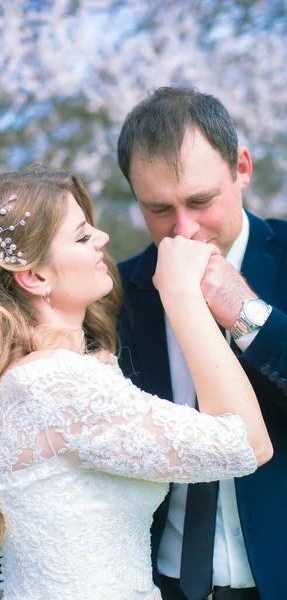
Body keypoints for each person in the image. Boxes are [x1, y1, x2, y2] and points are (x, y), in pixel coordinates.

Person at [0, 166, 271, 600]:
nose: (102, 238)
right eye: (83, 236)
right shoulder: (57, 385)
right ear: (36, 276)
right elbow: (247, 445)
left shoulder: (36, 375)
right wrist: (181, 293)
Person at [116, 87, 287, 600]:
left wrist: (248, 314)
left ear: (242, 167)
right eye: (158, 209)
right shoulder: (115, 296)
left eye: (200, 201)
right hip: (155, 582)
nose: (185, 230)